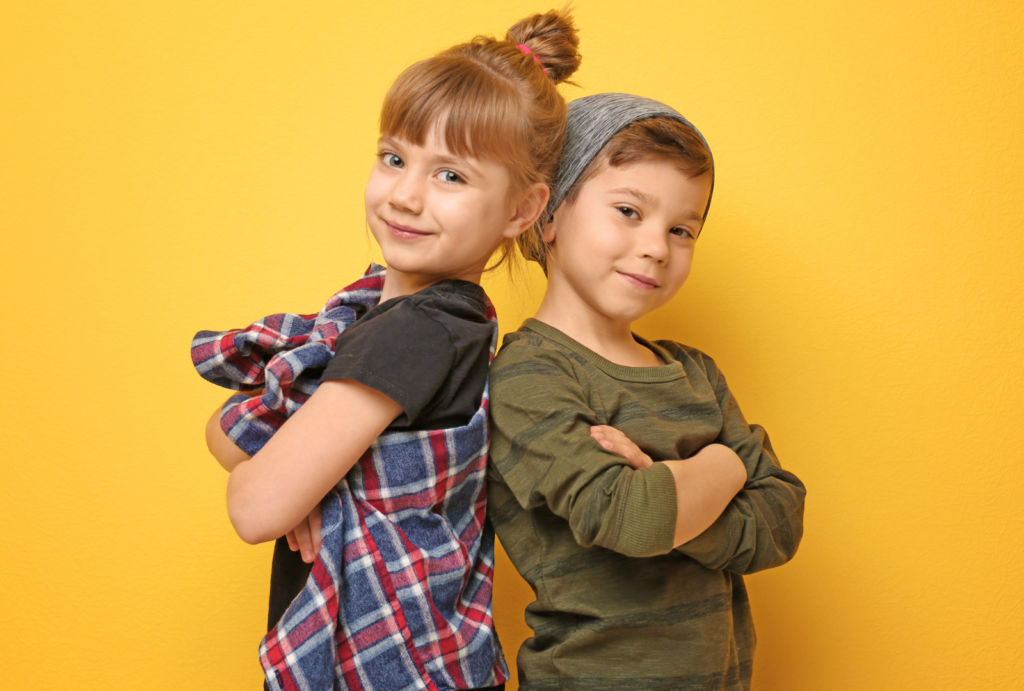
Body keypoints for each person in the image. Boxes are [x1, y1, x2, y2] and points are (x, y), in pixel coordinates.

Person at [191, 11, 582, 690]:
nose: (404, 195)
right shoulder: (406, 313)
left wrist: (297, 488)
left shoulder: (416, 332)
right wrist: (306, 489)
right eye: (394, 158)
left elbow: (254, 508)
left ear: (523, 210)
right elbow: (226, 430)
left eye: (450, 176)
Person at [487, 93, 807, 690]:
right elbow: (630, 518)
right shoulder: (528, 376)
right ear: (549, 215)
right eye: (629, 211)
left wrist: (667, 492)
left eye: (682, 230)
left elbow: (780, 520)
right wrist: (725, 463)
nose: (657, 247)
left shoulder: (694, 372)